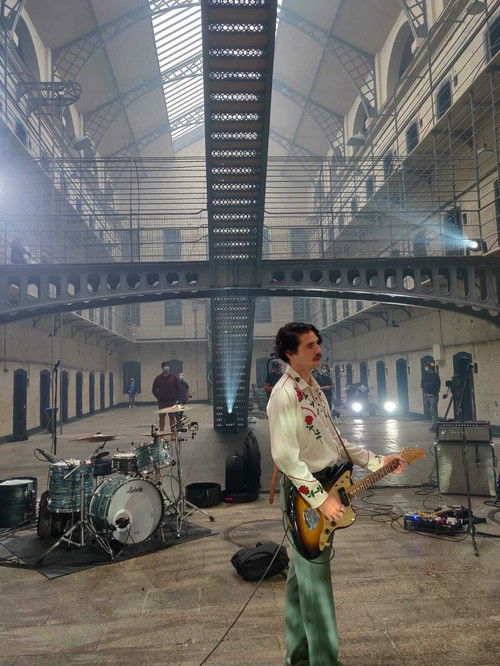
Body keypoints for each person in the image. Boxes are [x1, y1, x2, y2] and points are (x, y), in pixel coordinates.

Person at [267, 322, 405, 666]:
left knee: (301, 579)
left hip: (327, 483)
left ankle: (299, 656)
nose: (318, 349)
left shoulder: (313, 387)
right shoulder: (284, 394)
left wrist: (377, 461)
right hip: (306, 494)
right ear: (290, 353)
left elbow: (333, 442)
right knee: (316, 584)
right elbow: (285, 457)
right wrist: (321, 499)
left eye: (318, 343)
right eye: (310, 345)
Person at [152, 362, 180, 431]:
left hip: (171, 401)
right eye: (165, 366)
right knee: (162, 417)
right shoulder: (158, 378)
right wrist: (159, 397)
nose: (166, 368)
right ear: (162, 368)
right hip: (162, 402)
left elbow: (178, 388)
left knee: (172, 417)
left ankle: (173, 433)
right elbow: (154, 389)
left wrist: (175, 398)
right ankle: (161, 433)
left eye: (167, 366)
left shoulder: (174, 377)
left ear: (169, 367)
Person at [421, 361, 440, 432]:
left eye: (426, 366)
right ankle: (434, 423)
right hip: (426, 396)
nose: (425, 368)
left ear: (429, 367)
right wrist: (427, 385)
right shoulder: (425, 375)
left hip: (433, 396)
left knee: (433, 411)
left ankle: (435, 425)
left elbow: (434, 385)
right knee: (430, 410)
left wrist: (427, 385)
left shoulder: (435, 376)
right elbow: (422, 385)